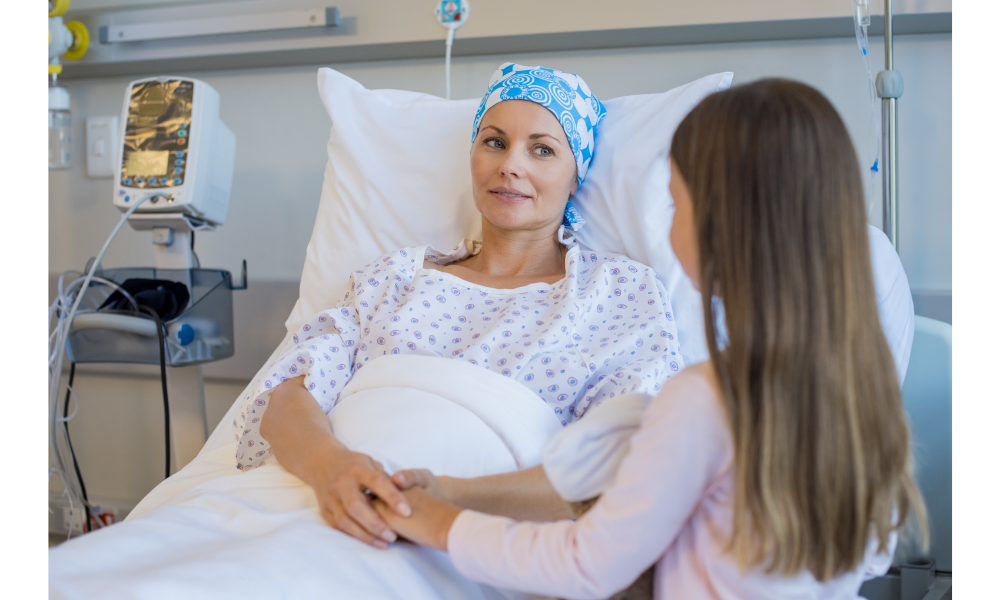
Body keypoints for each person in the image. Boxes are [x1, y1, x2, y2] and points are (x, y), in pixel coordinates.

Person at [373, 79, 928, 599]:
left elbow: (586, 563)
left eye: (675, 202)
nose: (666, 226)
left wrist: (438, 521)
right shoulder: (861, 390)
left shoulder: (705, 399)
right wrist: (454, 491)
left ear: (719, 226)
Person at [235, 63, 685, 549]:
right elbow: (288, 394)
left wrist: (442, 499)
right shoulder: (393, 278)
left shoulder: (615, 291)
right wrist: (331, 469)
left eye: (542, 150)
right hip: (312, 495)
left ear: (576, 174)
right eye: (494, 142)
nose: (511, 164)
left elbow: (620, 460)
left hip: (478, 535)